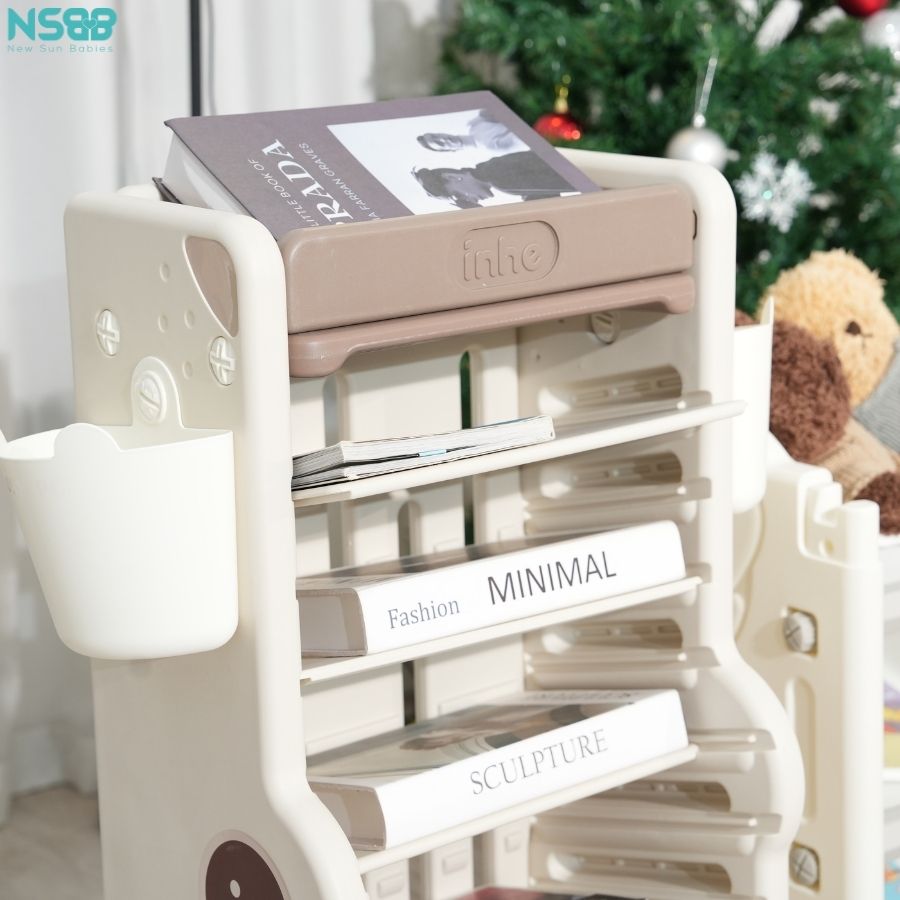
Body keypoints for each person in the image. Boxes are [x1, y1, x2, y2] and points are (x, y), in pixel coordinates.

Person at [413, 150, 578, 209]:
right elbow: (546, 191)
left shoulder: (499, 177)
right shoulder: (494, 171)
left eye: (458, 195)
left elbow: (565, 178)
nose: (468, 200)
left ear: (452, 176)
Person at [417, 110, 523, 154]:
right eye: (440, 143)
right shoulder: (489, 147)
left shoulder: (473, 126)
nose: (442, 139)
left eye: (435, 136)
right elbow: (521, 136)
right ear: (449, 150)